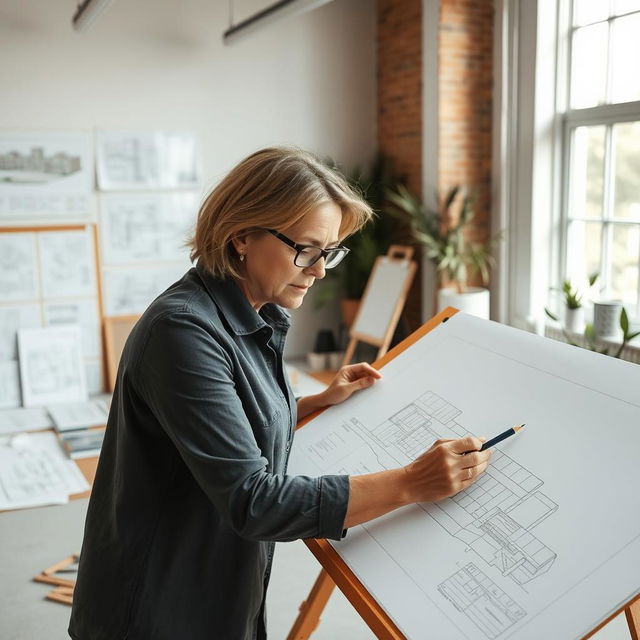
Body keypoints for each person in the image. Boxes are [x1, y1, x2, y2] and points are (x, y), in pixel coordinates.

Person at [69, 147, 491, 640]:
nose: (320, 270)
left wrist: (311, 403)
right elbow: (254, 500)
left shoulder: (255, 312)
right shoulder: (182, 332)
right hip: (158, 606)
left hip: (218, 588)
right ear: (241, 236)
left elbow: (225, 425)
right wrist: (411, 483)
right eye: (307, 249)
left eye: (330, 251)